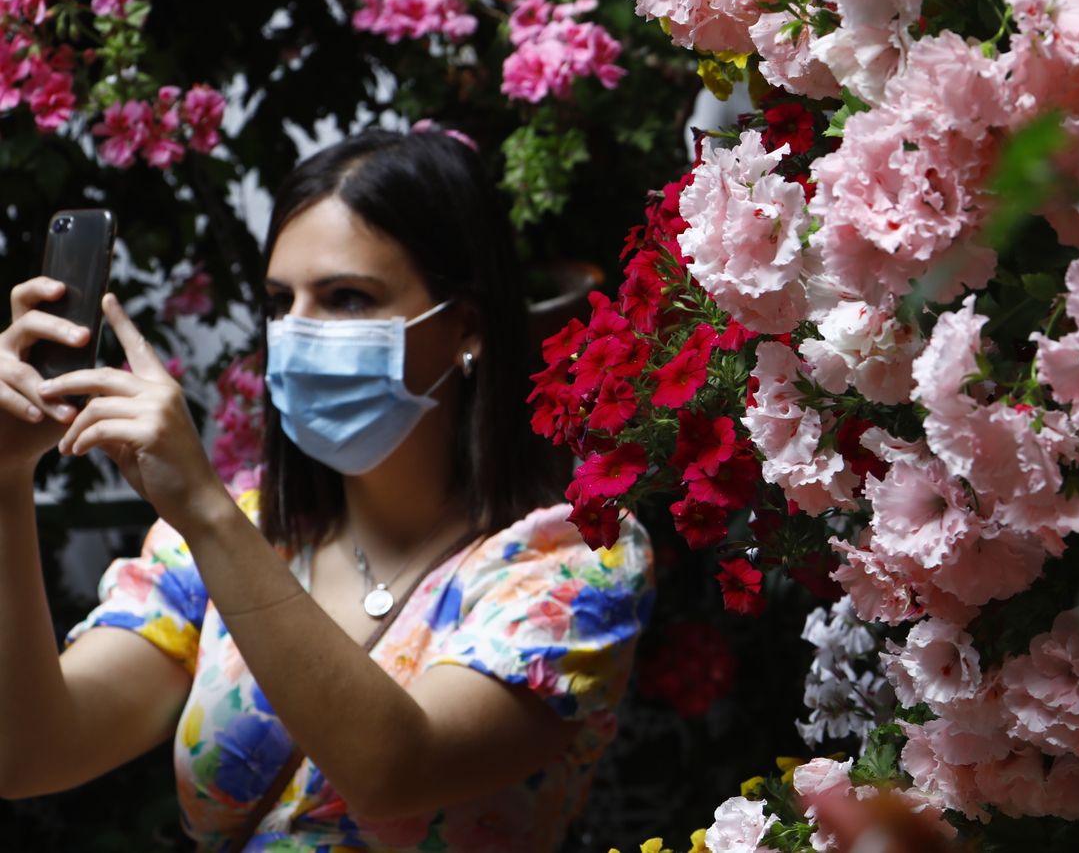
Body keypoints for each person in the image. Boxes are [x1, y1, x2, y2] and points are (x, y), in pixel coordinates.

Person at [0, 128, 653, 851]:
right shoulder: (226, 538)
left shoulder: (572, 559)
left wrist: (207, 513)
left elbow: (392, 773)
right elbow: (31, 754)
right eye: (280, 301)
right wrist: (4, 479)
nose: (297, 332)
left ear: (466, 326)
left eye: (346, 298)